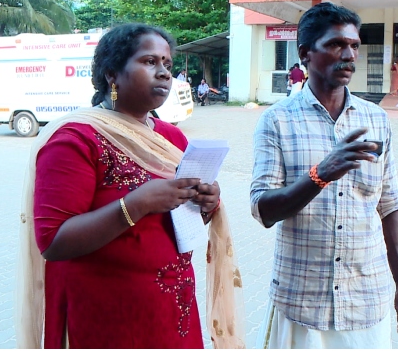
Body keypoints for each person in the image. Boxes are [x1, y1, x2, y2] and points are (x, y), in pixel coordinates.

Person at [15, 23, 244, 349]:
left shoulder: (171, 137)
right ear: (112, 74)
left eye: (166, 63)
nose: (165, 73)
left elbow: (177, 221)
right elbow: (54, 242)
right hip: (109, 315)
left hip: (171, 309)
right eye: (150, 62)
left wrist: (204, 203)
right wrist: (136, 204)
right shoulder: (76, 139)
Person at [251, 2, 398, 349]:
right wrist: (320, 174)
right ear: (305, 54)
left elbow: (389, 205)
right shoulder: (277, 120)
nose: (348, 55)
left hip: (366, 299)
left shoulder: (375, 120)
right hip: (302, 301)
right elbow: (263, 209)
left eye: (354, 46)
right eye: (335, 45)